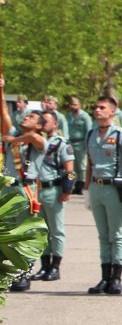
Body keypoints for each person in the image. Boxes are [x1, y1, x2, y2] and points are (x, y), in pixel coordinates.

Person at [84, 96, 122, 295]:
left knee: (116, 233)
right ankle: (105, 277)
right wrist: (87, 190)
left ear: (112, 112)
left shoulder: (121, 135)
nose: (97, 111)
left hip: (114, 187)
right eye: (96, 107)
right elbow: (89, 163)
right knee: (103, 235)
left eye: (102, 108)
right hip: (97, 187)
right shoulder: (91, 134)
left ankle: (116, 277)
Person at [25, 111, 76, 283]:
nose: (44, 124)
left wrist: (67, 191)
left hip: (53, 190)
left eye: (47, 121)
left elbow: (70, 170)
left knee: (56, 230)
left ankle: (55, 266)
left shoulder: (61, 144)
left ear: (55, 124)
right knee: (41, 231)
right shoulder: (33, 141)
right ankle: (44, 265)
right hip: (36, 190)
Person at [4, 108, 49, 292]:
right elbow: (4, 113)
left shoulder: (38, 141)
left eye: (31, 117)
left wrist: (13, 141)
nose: (26, 117)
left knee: (26, 233)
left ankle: (25, 273)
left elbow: (33, 138)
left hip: (26, 189)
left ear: (39, 125)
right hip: (8, 190)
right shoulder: (14, 133)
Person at [66, 96, 93, 186]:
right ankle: (72, 184)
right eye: (71, 105)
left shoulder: (85, 116)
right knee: (71, 165)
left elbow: (89, 131)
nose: (73, 106)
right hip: (70, 143)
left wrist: (87, 144)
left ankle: (82, 183)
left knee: (82, 165)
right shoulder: (68, 116)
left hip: (81, 143)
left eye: (75, 104)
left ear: (80, 105)